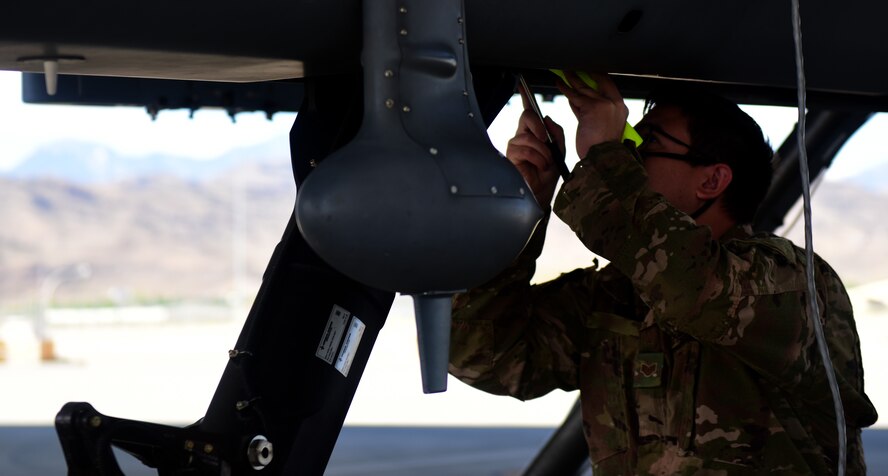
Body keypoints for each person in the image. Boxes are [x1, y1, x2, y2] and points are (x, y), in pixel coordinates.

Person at [448, 73, 878, 474]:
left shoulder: (790, 282)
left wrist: (603, 157)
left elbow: (692, 286)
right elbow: (483, 357)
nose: (628, 152)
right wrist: (519, 213)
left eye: (644, 141)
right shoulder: (615, 296)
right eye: (627, 141)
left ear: (711, 182)